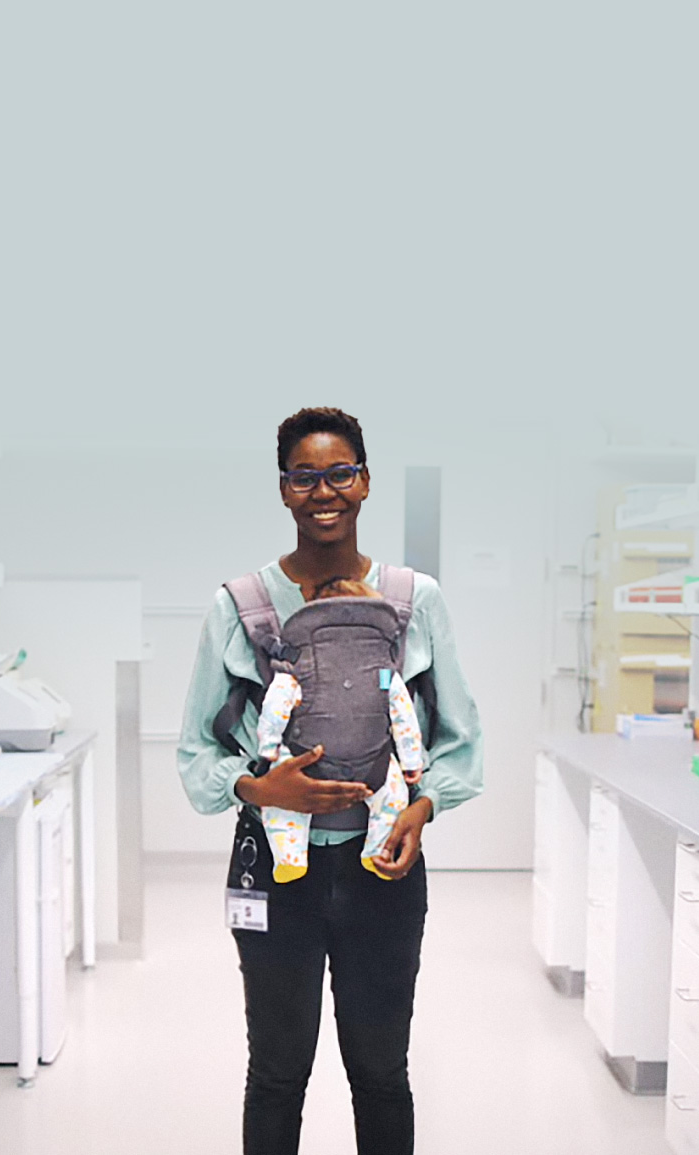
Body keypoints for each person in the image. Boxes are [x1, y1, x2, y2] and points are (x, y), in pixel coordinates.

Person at [178, 406, 483, 1155]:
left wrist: (422, 808)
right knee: (277, 1073)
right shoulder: (239, 606)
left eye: (340, 473)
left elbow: (459, 741)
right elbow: (195, 755)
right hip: (276, 873)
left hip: (385, 866)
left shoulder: (416, 601)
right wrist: (260, 787)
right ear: (283, 490)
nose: (324, 490)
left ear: (365, 482)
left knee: (381, 1070)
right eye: (304, 476)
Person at [254, 576, 424, 884]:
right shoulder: (385, 672)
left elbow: (275, 706)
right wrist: (412, 763)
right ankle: (378, 852)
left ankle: (289, 856)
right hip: (374, 764)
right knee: (393, 798)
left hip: (307, 761)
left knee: (280, 800)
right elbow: (402, 714)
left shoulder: (299, 664)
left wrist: (268, 748)